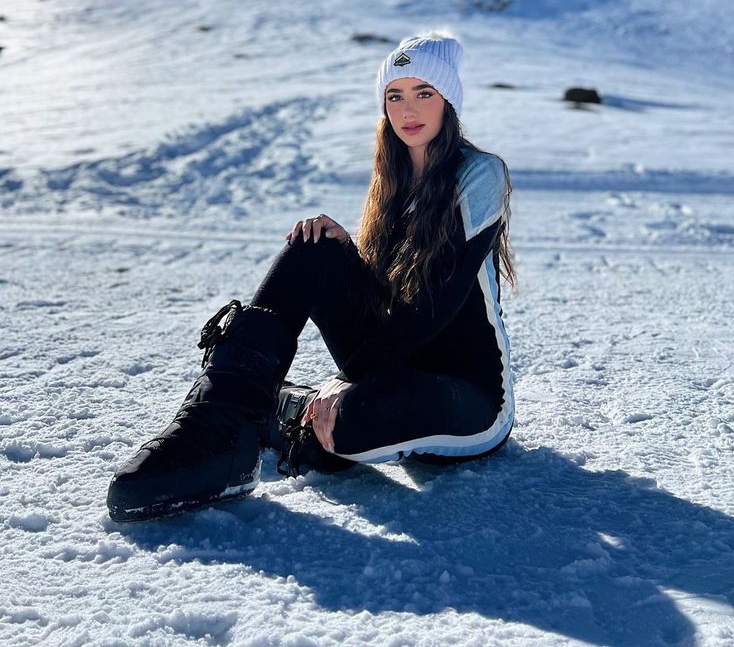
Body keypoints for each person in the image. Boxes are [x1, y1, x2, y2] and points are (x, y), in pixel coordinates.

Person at [107, 31, 516, 522]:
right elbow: (389, 299)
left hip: (469, 397)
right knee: (313, 247)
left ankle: (292, 412)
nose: (408, 110)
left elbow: (433, 307)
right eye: (395, 95)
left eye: (423, 93)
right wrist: (348, 256)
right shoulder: (394, 180)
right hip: (395, 369)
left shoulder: (480, 174)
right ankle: (221, 426)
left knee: (351, 424)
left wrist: (346, 379)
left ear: (448, 101)